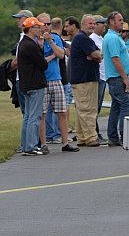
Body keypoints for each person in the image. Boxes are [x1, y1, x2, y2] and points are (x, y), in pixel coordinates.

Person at [37, 13, 79, 153]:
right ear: (38, 25)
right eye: (44, 24)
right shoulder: (35, 40)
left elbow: (61, 55)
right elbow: (39, 61)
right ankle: (43, 143)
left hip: (56, 78)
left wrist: (51, 42)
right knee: (42, 113)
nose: (47, 27)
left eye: (49, 24)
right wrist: (52, 54)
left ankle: (65, 142)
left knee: (61, 111)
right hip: (42, 81)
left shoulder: (55, 38)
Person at [66, 15, 103, 147]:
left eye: (94, 23)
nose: (92, 25)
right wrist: (96, 55)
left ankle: (81, 137)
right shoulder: (82, 38)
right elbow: (97, 55)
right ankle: (91, 137)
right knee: (88, 109)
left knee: (82, 108)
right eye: (89, 23)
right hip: (84, 79)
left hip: (85, 78)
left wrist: (96, 55)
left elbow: (97, 55)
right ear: (82, 25)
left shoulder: (85, 38)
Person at [17, 17, 48, 156]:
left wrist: (40, 46)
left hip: (26, 84)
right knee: (34, 117)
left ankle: (25, 146)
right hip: (35, 84)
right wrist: (40, 48)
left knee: (28, 117)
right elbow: (43, 64)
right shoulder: (30, 45)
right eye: (38, 27)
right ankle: (30, 147)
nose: (40, 29)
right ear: (31, 29)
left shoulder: (23, 44)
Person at [103, 11, 129, 147]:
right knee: (125, 106)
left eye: (122, 20)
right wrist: (125, 78)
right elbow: (115, 59)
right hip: (117, 78)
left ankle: (113, 137)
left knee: (116, 107)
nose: (122, 22)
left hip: (115, 78)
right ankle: (124, 136)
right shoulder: (113, 38)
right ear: (112, 22)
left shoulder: (113, 37)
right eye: (119, 20)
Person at [11, 10, 34, 153]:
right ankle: (27, 144)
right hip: (23, 79)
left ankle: (28, 144)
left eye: (20, 18)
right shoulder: (23, 37)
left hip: (24, 79)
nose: (17, 21)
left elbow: (18, 60)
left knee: (29, 114)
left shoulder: (25, 38)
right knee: (27, 114)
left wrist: (8, 69)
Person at [90, 14, 108, 144]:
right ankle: (94, 133)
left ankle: (94, 132)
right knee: (94, 107)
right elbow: (97, 55)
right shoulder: (92, 39)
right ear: (95, 24)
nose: (104, 25)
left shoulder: (101, 39)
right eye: (102, 23)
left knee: (98, 106)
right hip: (98, 76)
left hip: (103, 76)